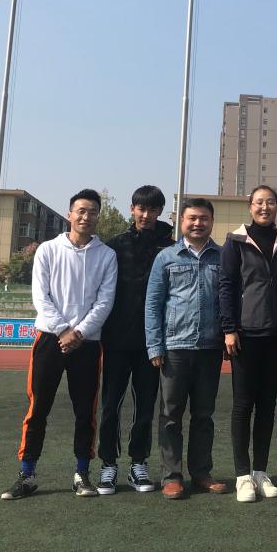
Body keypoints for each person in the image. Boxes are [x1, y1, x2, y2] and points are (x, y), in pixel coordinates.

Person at [1, 189, 118, 500]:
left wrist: (78, 333)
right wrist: (64, 330)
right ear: (70, 214)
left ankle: (82, 473)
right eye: (81, 211)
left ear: (98, 216)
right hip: (49, 340)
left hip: (87, 344)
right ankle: (27, 474)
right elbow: (41, 297)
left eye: (92, 212)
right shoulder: (48, 250)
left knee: (85, 411)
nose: (86, 217)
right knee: (38, 408)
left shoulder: (106, 255)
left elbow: (105, 302)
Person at [145, 197, 228, 499]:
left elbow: (230, 300)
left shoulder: (223, 257)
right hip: (175, 347)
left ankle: (201, 473)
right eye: (192, 218)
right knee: (170, 415)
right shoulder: (166, 257)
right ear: (182, 221)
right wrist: (155, 345)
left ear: (211, 222)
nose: (198, 223)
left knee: (204, 415)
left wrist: (228, 336)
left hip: (210, 347)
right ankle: (171, 476)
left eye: (203, 218)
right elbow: (153, 304)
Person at [219, 185, 277, 503]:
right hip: (245, 336)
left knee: (267, 406)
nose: (265, 207)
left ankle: (260, 472)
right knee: (242, 406)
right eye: (259, 202)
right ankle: (242, 475)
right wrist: (229, 329)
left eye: (271, 202)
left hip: (276, 337)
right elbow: (226, 286)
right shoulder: (235, 242)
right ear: (250, 206)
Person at [96, 185, 173, 495]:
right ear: (132, 209)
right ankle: (108, 464)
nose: (146, 214)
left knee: (145, 407)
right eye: (141, 208)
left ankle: (138, 463)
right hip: (116, 340)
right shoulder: (113, 247)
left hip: (152, 344)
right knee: (110, 405)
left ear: (160, 212)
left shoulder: (169, 249)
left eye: (152, 209)